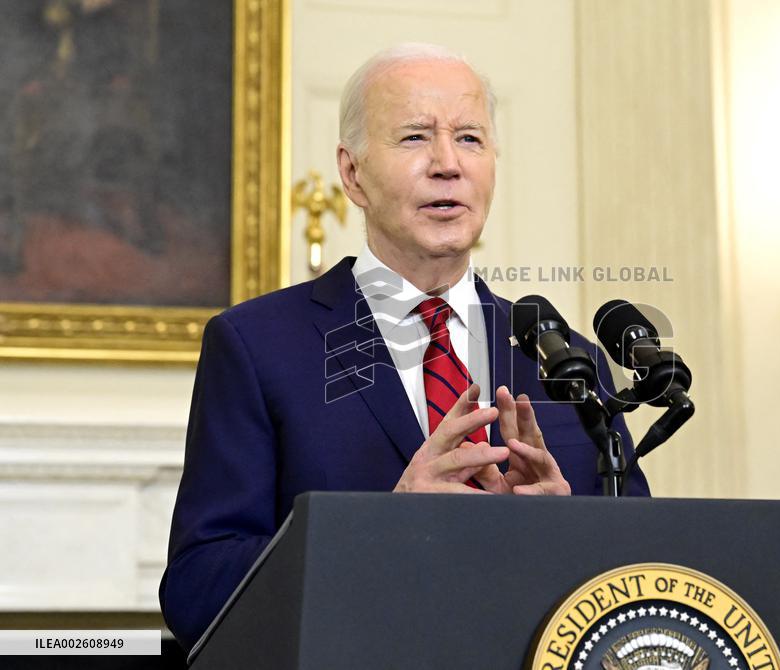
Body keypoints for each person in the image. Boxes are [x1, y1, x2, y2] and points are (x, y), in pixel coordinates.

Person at [160, 43, 649, 652]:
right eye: (416, 137)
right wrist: (375, 534)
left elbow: (639, 576)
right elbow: (196, 588)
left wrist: (562, 531)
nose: (448, 163)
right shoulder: (258, 346)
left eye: (470, 139)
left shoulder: (564, 358)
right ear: (352, 173)